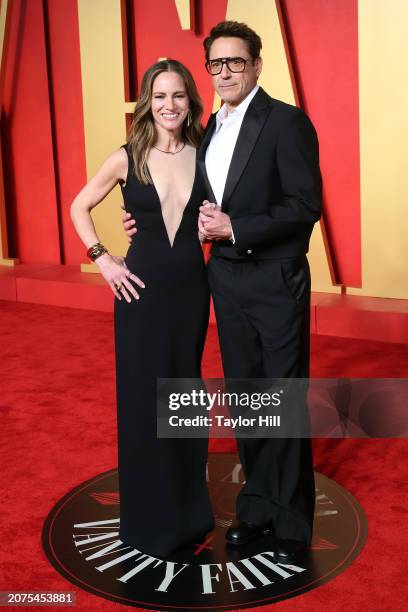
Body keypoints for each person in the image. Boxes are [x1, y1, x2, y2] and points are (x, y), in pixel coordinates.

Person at [123, 21, 322, 565]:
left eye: (236, 62)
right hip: (225, 285)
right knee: (247, 401)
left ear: (257, 65)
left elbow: (305, 206)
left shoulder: (286, 122)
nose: (226, 72)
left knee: (280, 401)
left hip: (275, 283)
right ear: (207, 70)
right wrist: (139, 214)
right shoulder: (206, 129)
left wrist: (235, 229)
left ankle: (290, 520)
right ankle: (257, 507)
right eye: (216, 64)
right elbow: (184, 195)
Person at [70, 59, 214, 558]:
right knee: (142, 404)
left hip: (192, 293)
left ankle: (191, 513)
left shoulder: (206, 153)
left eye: (177, 95)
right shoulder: (126, 157)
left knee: (185, 399)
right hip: (141, 295)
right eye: (159, 96)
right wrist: (102, 259)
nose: (168, 105)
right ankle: (147, 521)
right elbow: (78, 206)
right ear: (145, 103)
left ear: (190, 101)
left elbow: (217, 211)